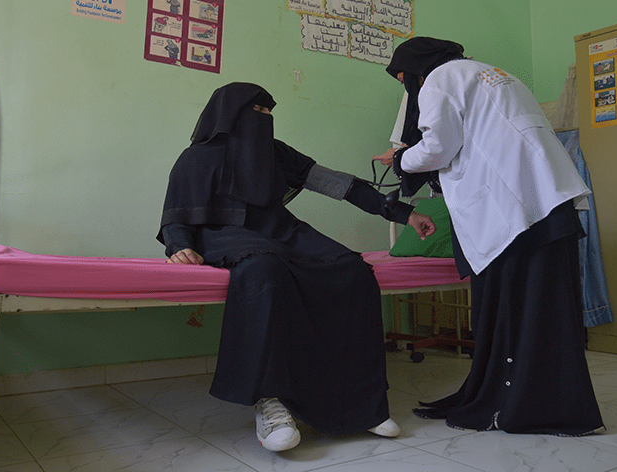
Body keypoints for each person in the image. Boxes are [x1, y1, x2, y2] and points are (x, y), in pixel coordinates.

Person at [159, 82, 437, 452]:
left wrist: (404, 213)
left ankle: (360, 403)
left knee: (353, 272)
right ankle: (268, 399)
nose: (267, 118)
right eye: (259, 111)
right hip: (222, 233)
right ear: (231, 113)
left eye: (270, 111)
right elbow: (177, 213)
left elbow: (342, 186)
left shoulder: (275, 153)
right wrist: (179, 246)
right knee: (264, 271)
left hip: (279, 230)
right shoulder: (197, 158)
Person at [373, 37, 604, 436]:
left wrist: (401, 159)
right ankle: (552, 404)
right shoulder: (494, 73)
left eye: (403, 81)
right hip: (549, 200)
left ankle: (510, 406)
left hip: (512, 210)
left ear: (414, 70)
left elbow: (439, 147)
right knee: (546, 314)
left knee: (508, 312)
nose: (407, 90)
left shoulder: (439, 79)